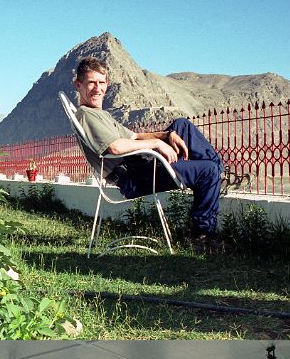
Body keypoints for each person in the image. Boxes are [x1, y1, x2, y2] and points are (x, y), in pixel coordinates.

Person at [72, 57, 224, 241]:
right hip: (134, 177)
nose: (98, 89)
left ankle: (218, 171)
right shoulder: (86, 115)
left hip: (142, 167)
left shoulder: (100, 114)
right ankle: (202, 235)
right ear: (78, 85)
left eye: (101, 82)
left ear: (107, 84)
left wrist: (166, 136)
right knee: (208, 171)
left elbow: (134, 137)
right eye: (91, 83)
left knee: (181, 125)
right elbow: (116, 146)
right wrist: (156, 143)